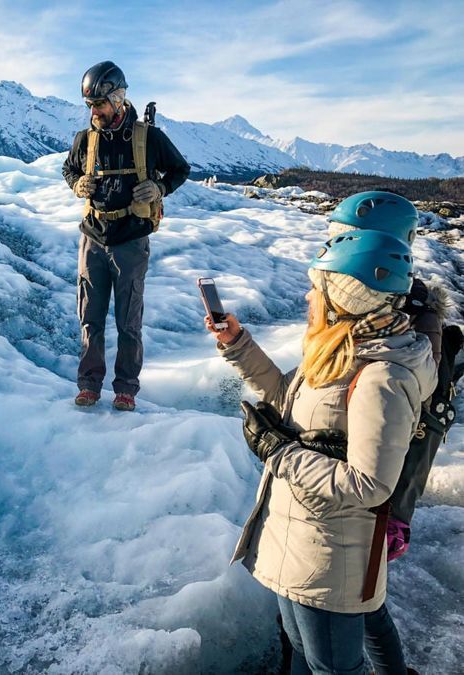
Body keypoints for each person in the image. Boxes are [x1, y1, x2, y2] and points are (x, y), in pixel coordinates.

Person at [207, 229, 436, 674]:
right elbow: (284, 397)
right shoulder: (341, 351)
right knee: (302, 650)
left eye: (320, 288)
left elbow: (370, 485)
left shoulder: (380, 378)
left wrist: (277, 451)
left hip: (331, 555)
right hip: (301, 537)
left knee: (332, 666)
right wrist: (237, 345)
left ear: (347, 298)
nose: (310, 297)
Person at [324, 191, 459, 675]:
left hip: (380, 480)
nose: (336, 244)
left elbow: (408, 416)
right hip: (369, 470)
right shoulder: (390, 294)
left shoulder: (403, 315)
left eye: (345, 236)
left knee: (362, 598)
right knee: (364, 597)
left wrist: (397, 508)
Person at [62, 61, 190, 411]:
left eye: (100, 104)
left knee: (128, 321)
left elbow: (181, 169)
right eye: (90, 105)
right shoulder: (84, 139)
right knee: (90, 317)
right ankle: (89, 384)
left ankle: (126, 389)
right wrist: (77, 184)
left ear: (118, 98)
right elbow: (69, 168)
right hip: (93, 236)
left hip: (131, 239)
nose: (95, 111)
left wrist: (160, 187)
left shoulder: (148, 138)